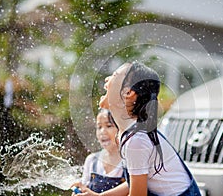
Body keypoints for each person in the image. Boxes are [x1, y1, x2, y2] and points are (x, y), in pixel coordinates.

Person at [75, 62, 201, 196]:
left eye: (114, 75)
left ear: (128, 92)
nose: (107, 79)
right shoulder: (129, 133)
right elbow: (134, 181)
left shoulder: (137, 140)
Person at [71, 109, 125, 194]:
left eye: (109, 126)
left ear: (121, 128)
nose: (102, 132)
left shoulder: (129, 161)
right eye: (99, 127)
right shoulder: (92, 160)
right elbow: (85, 189)